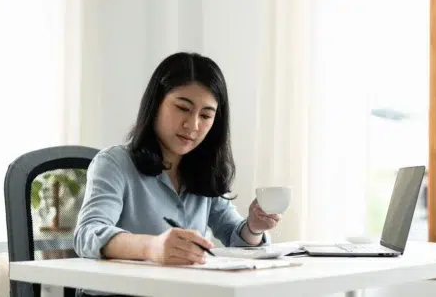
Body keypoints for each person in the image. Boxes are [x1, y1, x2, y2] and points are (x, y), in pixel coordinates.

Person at [73, 52, 281, 296]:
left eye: (205, 115)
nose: (192, 125)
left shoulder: (204, 171)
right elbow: (87, 233)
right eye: (183, 108)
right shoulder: (115, 163)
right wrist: (152, 247)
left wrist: (254, 228)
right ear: (156, 104)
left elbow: (236, 237)